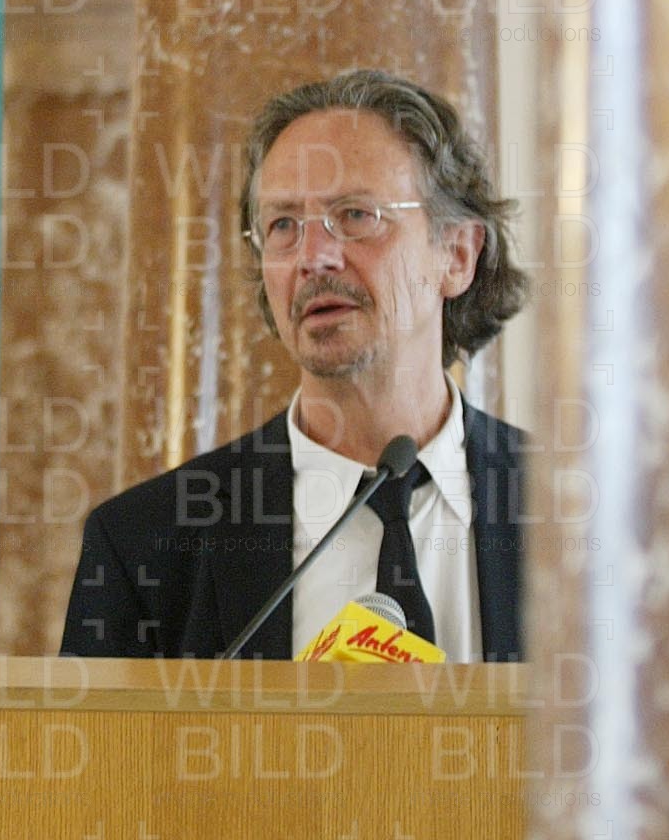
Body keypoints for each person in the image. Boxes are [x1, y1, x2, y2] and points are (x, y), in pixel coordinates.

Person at [60, 69, 531, 662]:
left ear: (457, 255)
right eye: (283, 225)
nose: (314, 257)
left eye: (355, 215)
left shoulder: (579, 514)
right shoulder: (144, 545)